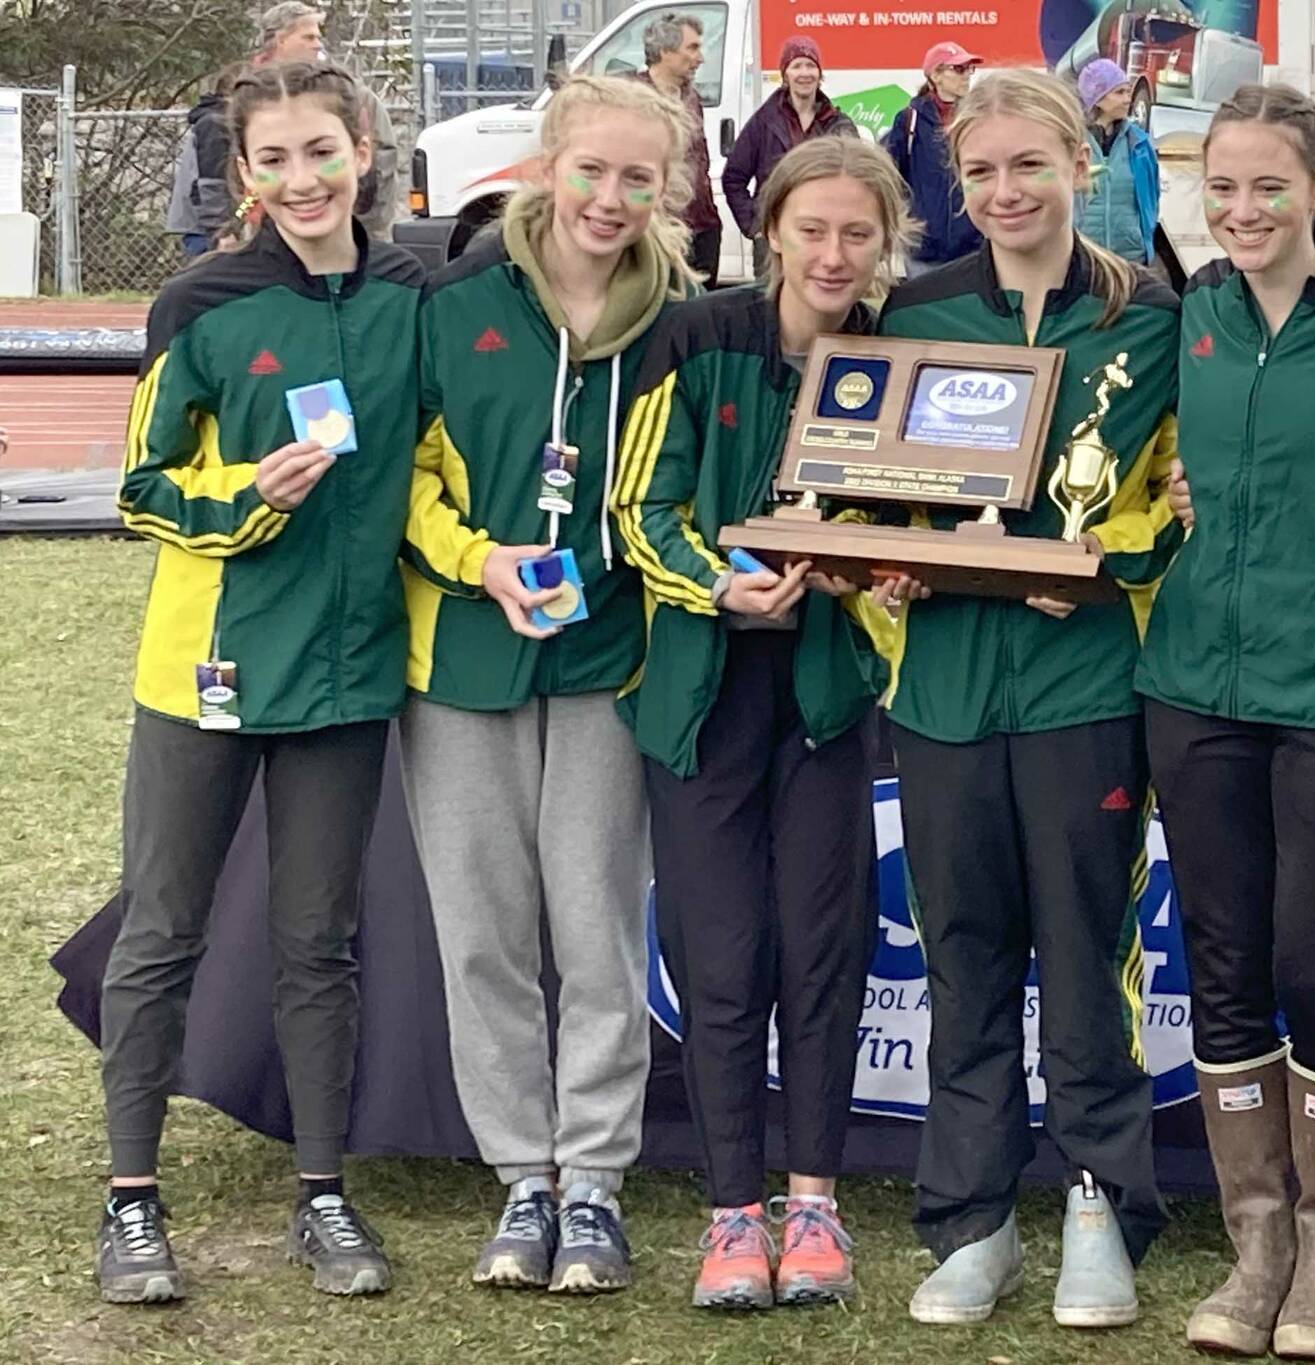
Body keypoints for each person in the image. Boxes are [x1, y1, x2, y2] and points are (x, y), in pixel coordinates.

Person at [95, 61, 424, 1305]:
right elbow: (140, 487)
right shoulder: (200, 302)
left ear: (363, 150)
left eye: (320, 151)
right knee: (161, 932)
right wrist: (246, 497)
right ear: (243, 175)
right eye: (273, 159)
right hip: (206, 675)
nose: (301, 179)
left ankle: (323, 1193)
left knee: (317, 945)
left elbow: (438, 469)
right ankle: (132, 1201)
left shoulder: (417, 296)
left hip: (346, 681)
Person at [871, 67, 1181, 1332]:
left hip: (1081, 689)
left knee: (1086, 946)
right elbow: (862, 492)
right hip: (944, 689)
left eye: (1028, 168)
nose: (1005, 193)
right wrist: (877, 562)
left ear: (1077, 167)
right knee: (963, 956)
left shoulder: (1149, 315)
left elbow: (1182, 502)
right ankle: (973, 1218)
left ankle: (1100, 1205)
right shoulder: (915, 313)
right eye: (982, 172)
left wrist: (1114, 571)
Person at [1136, 82, 1315, 1361]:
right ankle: (1255, 1249)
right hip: (1192, 687)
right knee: (1226, 965)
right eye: (1221, 189)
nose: (1241, 211)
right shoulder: (1185, 312)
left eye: (1266, 187)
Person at [398, 74, 691, 1298]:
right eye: (592, 170)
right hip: (462, 660)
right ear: (545, 165)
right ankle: (524, 1174)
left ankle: (596, 1185)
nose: (610, 199)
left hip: (607, 660)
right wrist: (478, 560)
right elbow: (399, 481)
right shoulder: (453, 303)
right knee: (482, 934)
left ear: (666, 190)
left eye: (638, 178)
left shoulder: (685, 319)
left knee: (596, 929)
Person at [613, 134, 910, 1313]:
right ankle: (733, 1210)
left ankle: (816, 1204)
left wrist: (877, 568)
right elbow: (641, 506)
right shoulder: (696, 339)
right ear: (769, 230)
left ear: (886, 242)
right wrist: (715, 582)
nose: (833, 253)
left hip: (830, 699)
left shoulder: (900, 355)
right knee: (722, 960)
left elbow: (923, 511)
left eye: (857, 233)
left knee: (823, 955)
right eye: (814, 228)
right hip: (700, 697)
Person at [252, 3, 401, 240]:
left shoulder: (351, 95)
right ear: (281, 40)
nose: (318, 44)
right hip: (263, 237)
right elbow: (220, 172)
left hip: (348, 231)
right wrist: (232, 225)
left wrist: (368, 228)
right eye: (309, 37)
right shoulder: (244, 98)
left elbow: (382, 161)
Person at [723, 36, 857, 277]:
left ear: (820, 73)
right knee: (770, 311)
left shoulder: (839, 125)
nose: (804, 73)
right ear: (785, 74)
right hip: (773, 242)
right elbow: (733, 178)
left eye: (810, 65)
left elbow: (856, 182)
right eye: (796, 66)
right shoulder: (764, 122)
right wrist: (755, 226)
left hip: (822, 239)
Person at [636, 13, 723, 284]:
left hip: (702, 227)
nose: (701, 58)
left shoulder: (691, 96)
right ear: (665, 51)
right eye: (693, 48)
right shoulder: (633, 98)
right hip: (658, 230)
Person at [884, 42, 985, 276]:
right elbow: (891, 176)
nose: (967, 76)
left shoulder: (977, 118)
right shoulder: (909, 119)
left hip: (972, 247)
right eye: (959, 69)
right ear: (936, 75)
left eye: (969, 69)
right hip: (923, 250)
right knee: (923, 311)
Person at [1072, 58, 1161, 267]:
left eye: (1127, 92)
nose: (1127, 100)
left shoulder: (1139, 143)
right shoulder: (1071, 143)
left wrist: (1142, 237)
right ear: (1098, 98)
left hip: (1130, 260)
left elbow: (1153, 196)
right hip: (1084, 262)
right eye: (1119, 93)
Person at [165, 69, 237, 257]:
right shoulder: (215, 124)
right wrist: (222, 231)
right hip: (205, 229)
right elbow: (211, 183)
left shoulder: (223, 122)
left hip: (217, 224)